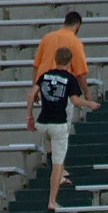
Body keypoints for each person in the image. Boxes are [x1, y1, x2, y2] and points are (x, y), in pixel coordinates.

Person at [27, 46, 100, 212]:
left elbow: (31, 95)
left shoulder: (44, 75)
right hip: (58, 125)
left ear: (56, 59)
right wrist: (89, 103)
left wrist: (29, 116)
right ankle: (52, 200)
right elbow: (74, 101)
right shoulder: (70, 78)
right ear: (70, 62)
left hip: (42, 123)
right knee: (58, 164)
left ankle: (51, 151)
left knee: (51, 141)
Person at [32, 10, 90, 187]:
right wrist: (87, 93)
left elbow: (36, 65)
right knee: (61, 130)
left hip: (45, 87)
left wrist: (35, 88)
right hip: (62, 89)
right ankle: (60, 170)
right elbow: (79, 72)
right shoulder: (74, 41)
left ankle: (56, 161)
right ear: (77, 25)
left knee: (53, 127)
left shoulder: (48, 37)